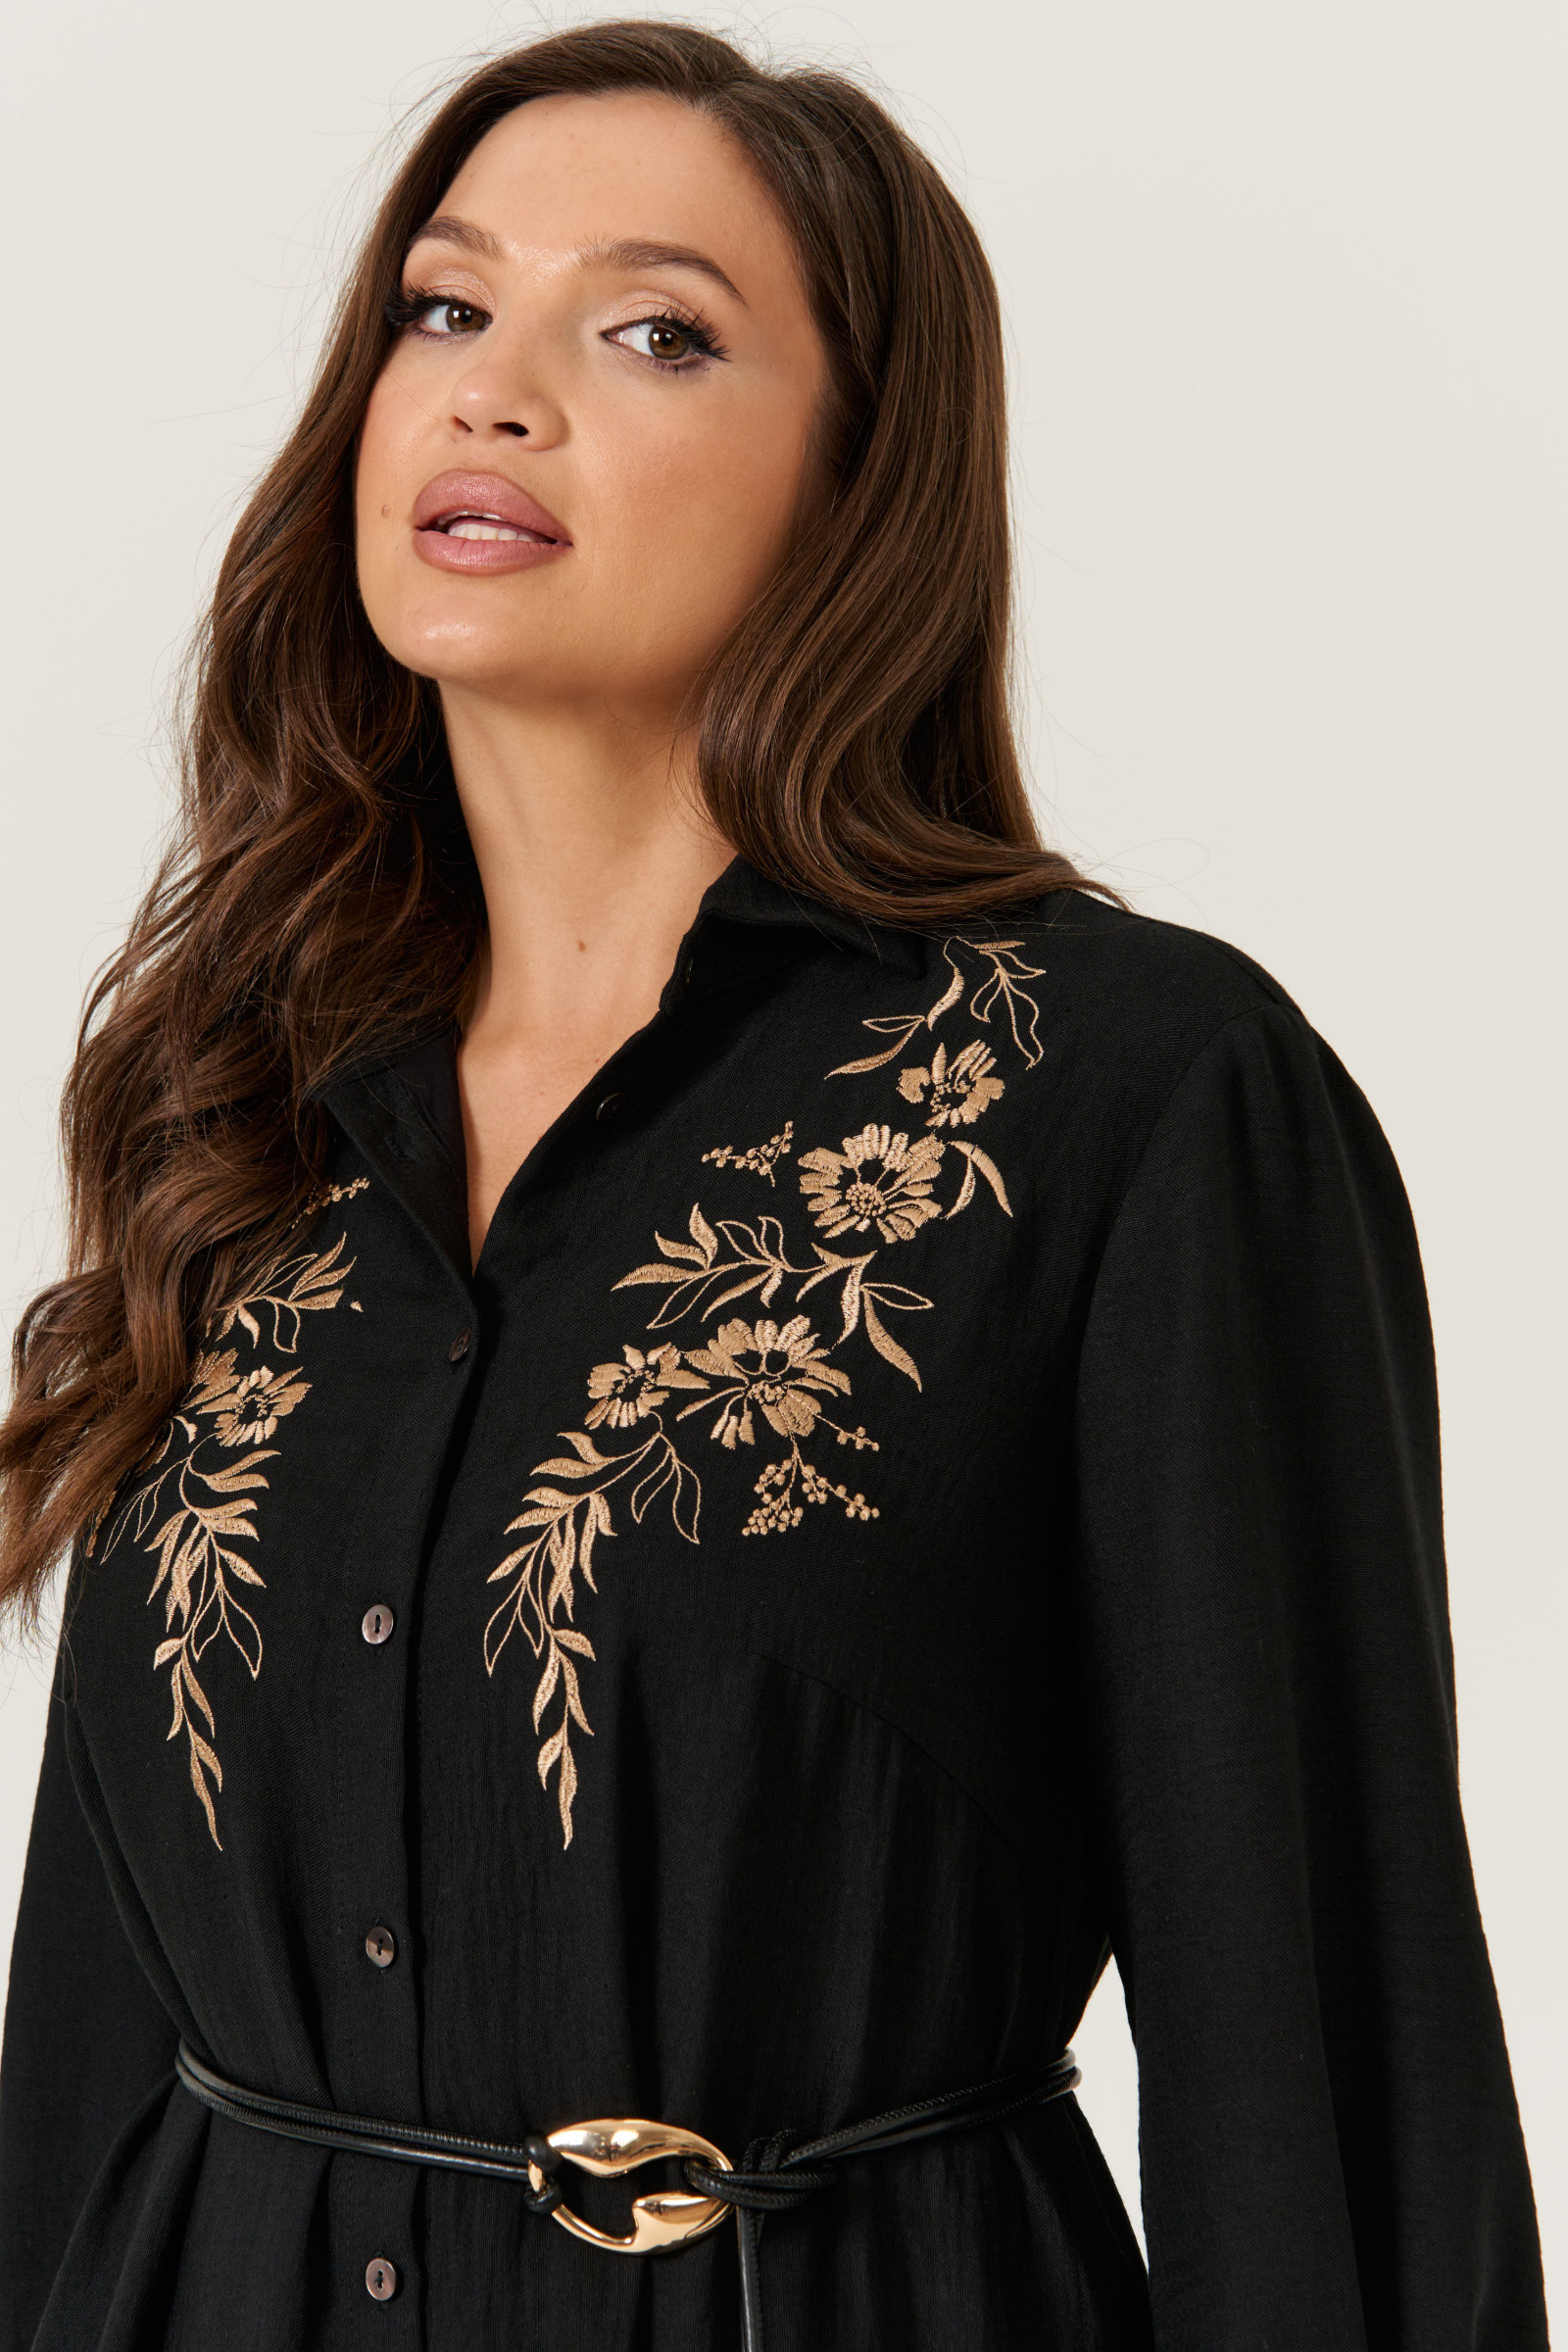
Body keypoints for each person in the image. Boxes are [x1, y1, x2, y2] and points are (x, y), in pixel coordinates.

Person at [0, 21, 1545, 2352]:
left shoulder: (1118, 1097)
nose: (492, 392)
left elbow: (1313, 2070)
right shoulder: (244, 1097)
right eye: (443, 305)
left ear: (855, 477)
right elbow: (92, 2047)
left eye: (651, 332)